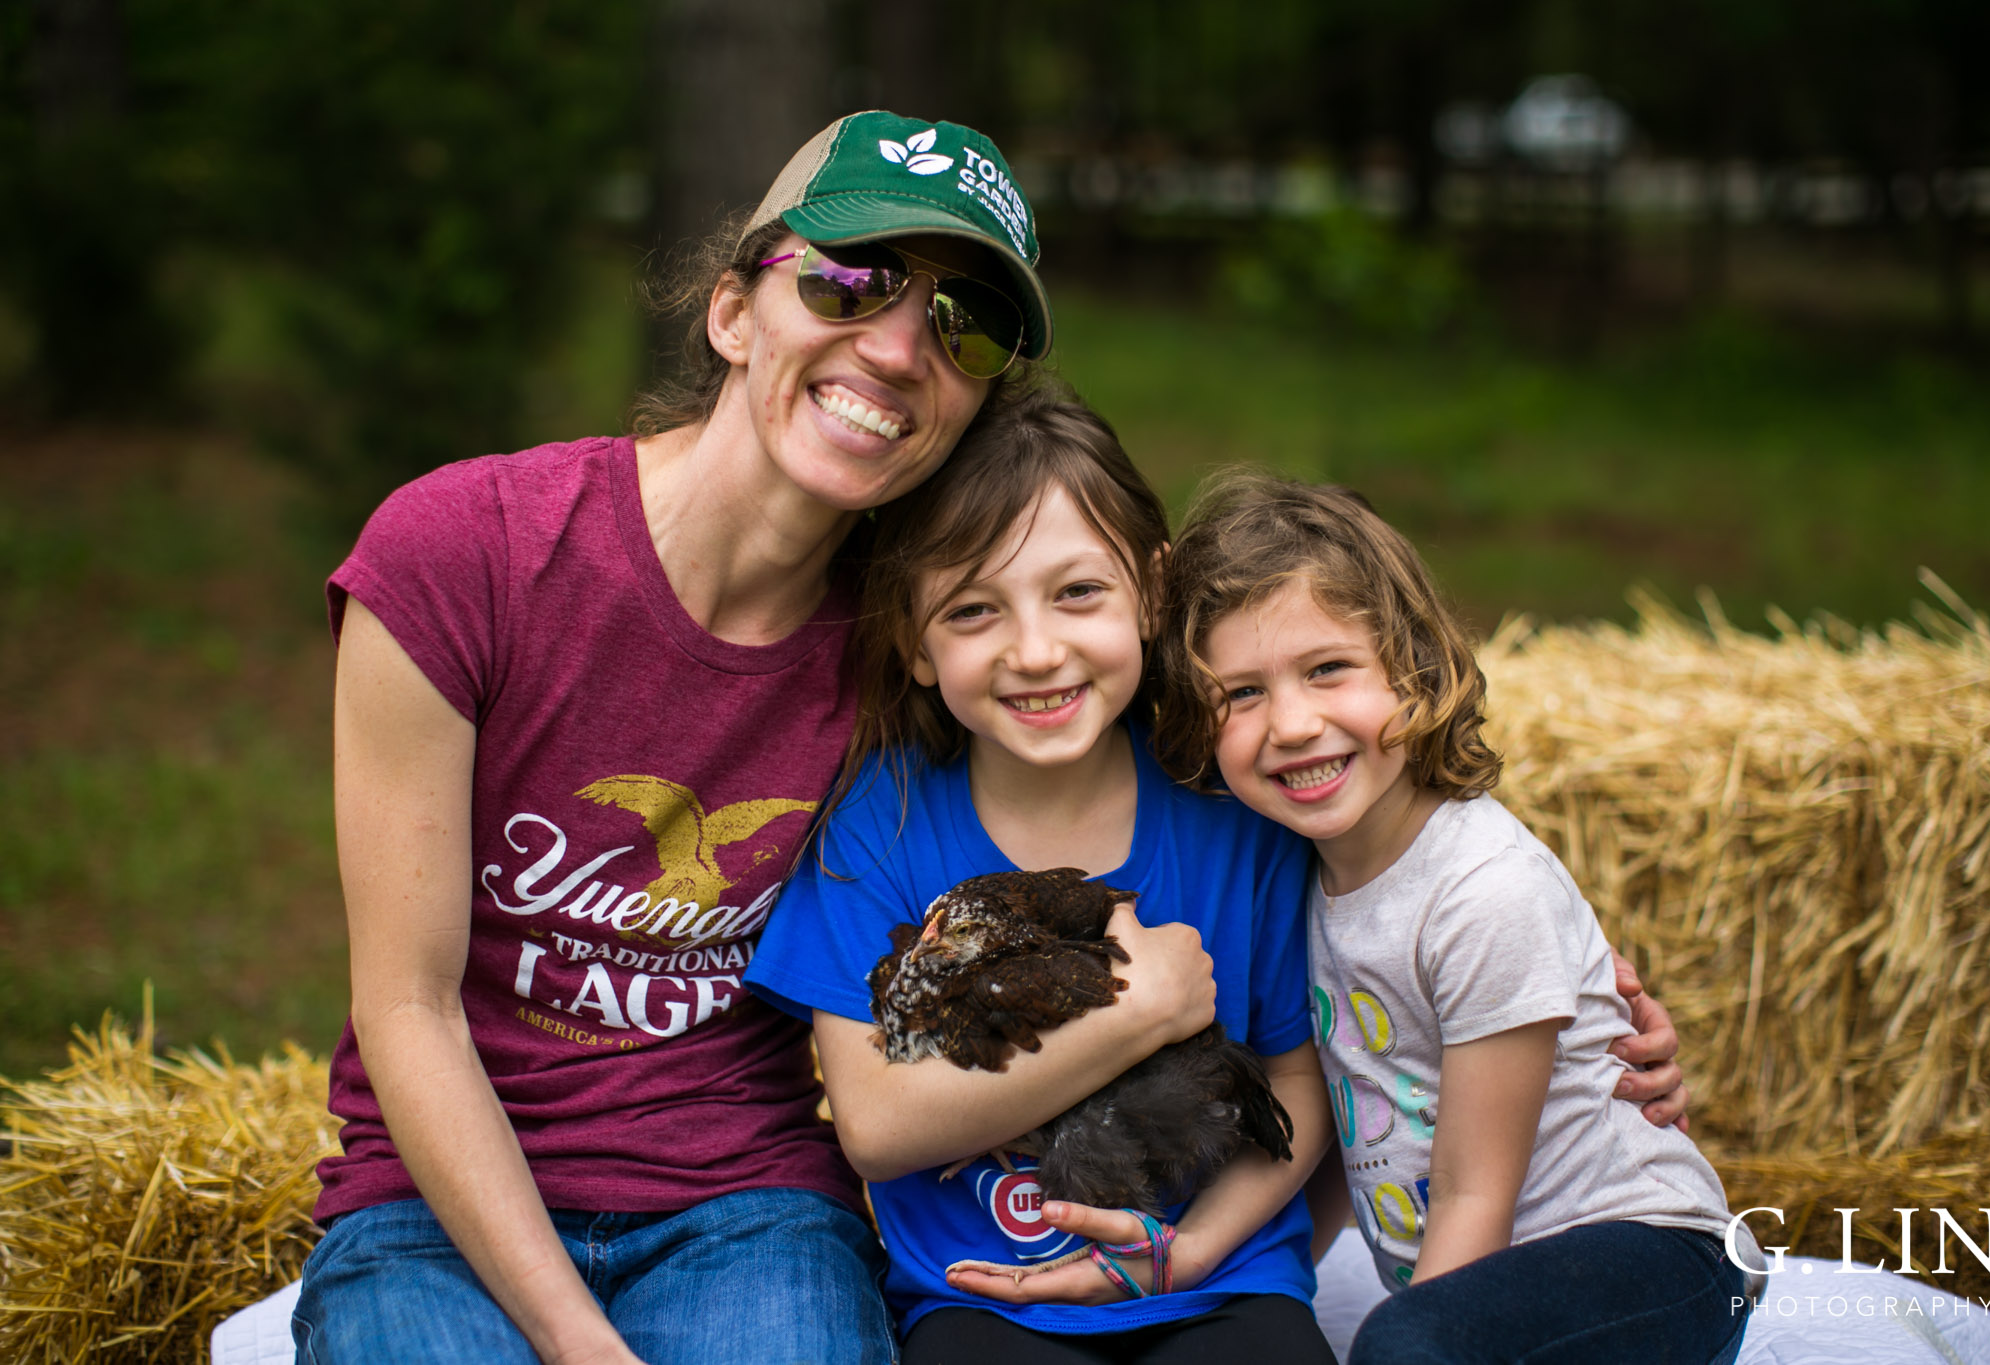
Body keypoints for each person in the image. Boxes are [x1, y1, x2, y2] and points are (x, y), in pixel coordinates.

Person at [292, 111, 1080, 1365]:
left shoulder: (924, 653)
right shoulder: (460, 555)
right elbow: (408, 1011)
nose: (890, 347)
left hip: (745, 1210)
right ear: (730, 312)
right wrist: (580, 1344)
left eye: (960, 322)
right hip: (432, 1216)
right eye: (849, 280)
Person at [743, 390, 1695, 1365]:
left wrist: (1578, 988)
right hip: (985, 1304)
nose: (1035, 650)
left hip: (1224, 1283)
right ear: (911, 637)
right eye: (974, 610)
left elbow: (1363, 983)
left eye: (1077, 593)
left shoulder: (1236, 801)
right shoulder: (881, 822)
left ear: (1150, 595)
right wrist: (1135, 1012)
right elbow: (875, 1126)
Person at [1153, 470, 1760, 1365]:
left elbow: (1474, 1193)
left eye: (1328, 669)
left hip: (1654, 1258)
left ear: (1413, 668)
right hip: (1505, 1288)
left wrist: (1418, 1341)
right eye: (1240, 693)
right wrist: (1239, 1299)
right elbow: (1352, 1124)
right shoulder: (1298, 876)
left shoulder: (1481, 892)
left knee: (1403, 1345)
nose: (1290, 721)